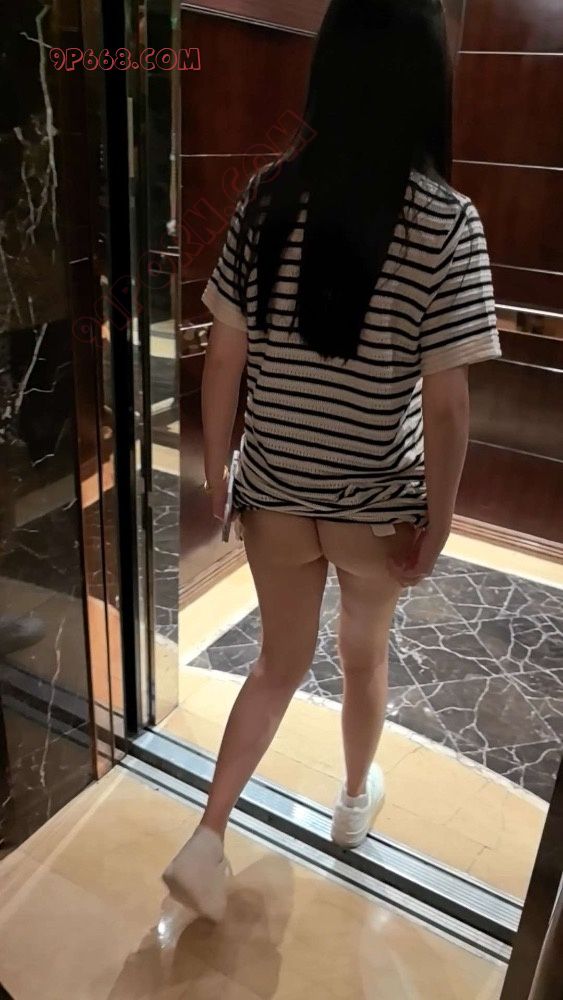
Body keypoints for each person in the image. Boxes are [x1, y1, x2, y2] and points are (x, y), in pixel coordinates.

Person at [163, 0, 501, 920]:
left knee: (275, 665)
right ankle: (353, 804)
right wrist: (437, 519)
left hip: (275, 492)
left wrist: (219, 474)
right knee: (362, 655)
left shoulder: (266, 197)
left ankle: (207, 835)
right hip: (374, 506)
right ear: (425, 81)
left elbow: (223, 355)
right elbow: (446, 401)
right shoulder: (446, 220)